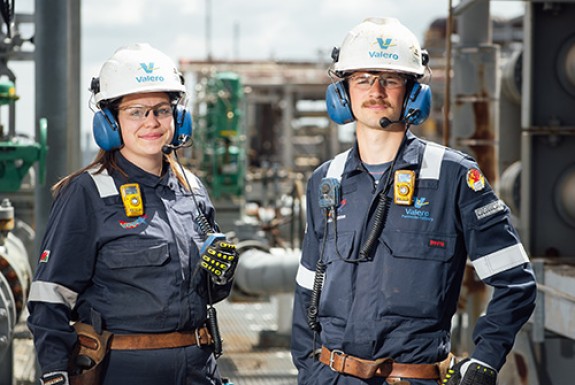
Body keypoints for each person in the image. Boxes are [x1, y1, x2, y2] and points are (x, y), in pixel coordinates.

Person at [291, 17, 537, 385]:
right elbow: (308, 284)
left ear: (413, 94)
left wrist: (485, 359)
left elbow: (515, 280)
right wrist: (308, 369)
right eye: (362, 78)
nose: (376, 90)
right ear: (343, 94)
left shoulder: (452, 176)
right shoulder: (327, 180)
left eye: (390, 79)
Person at [27, 43, 238, 385]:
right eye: (136, 111)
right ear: (110, 121)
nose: (152, 122)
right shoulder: (86, 192)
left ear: (178, 118)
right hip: (121, 371)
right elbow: (50, 296)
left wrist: (221, 276)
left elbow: (207, 294)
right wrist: (55, 374)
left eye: (162, 110)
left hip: (198, 370)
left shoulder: (192, 189)